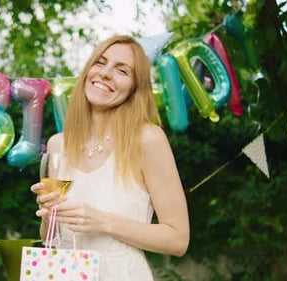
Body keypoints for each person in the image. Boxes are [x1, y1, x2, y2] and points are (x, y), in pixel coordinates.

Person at [30, 34, 190, 281]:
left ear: (135, 89)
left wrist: (102, 221)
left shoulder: (148, 139)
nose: (105, 74)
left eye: (122, 71)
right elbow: (50, 238)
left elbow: (178, 239)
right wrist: (49, 214)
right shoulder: (58, 144)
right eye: (100, 62)